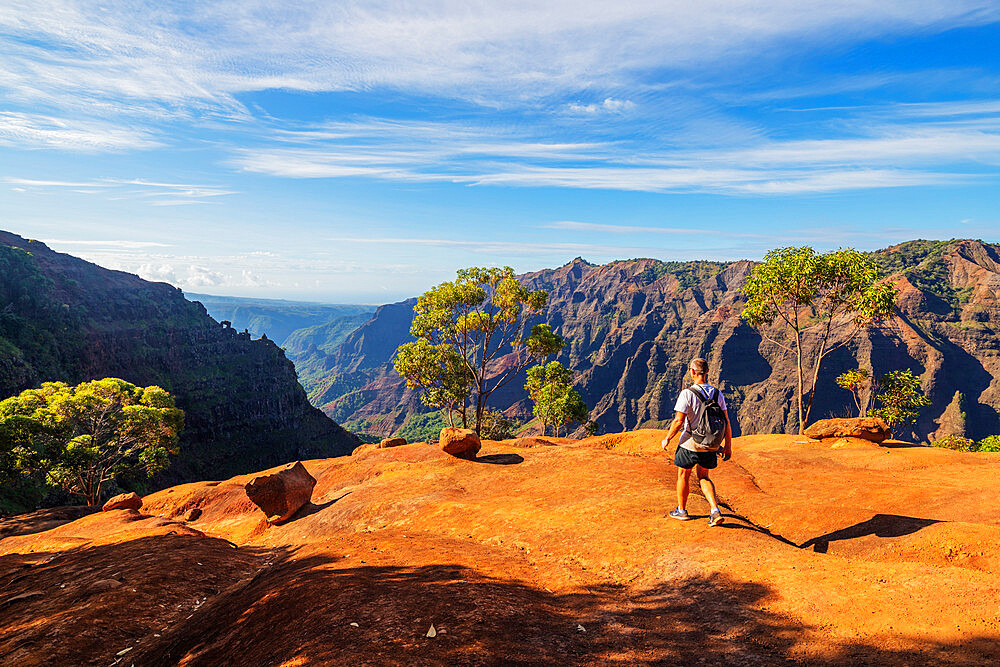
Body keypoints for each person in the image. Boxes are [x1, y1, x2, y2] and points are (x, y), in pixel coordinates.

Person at [661, 357, 733, 526]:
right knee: (704, 476)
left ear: (692, 372)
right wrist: (727, 447)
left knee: (683, 474)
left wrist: (667, 438)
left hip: (690, 443)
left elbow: (679, 421)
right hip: (711, 443)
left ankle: (682, 510)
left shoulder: (687, 393)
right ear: (707, 372)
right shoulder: (717, 393)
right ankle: (715, 510)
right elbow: (727, 422)